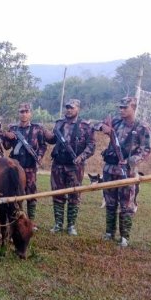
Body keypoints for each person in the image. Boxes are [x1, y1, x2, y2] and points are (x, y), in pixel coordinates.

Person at [96, 97, 151, 247]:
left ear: (133, 108)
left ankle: (124, 237)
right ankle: (109, 233)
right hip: (110, 169)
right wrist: (103, 128)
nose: (121, 110)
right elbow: (96, 125)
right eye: (120, 107)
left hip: (127, 172)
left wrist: (131, 161)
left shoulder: (141, 127)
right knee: (110, 203)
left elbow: (146, 150)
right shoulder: (116, 122)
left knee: (126, 206)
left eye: (125, 108)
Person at [44, 99, 95, 235]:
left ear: (78, 109)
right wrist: (46, 134)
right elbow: (53, 140)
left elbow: (91, 146)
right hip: (58, 164)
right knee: (57, 194)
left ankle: (71, 225)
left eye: (71, 108)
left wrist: (81, 157)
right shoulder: (59, 123)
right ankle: (58, 224)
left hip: (75, 166)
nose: (69, 110)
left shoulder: (85, 126)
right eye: (67, 107)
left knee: (74, 195)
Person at [1, 103, 47, 221]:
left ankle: (30, 220)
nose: (24, 114)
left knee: (31, 193)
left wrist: (40, 156)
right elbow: (6, 147)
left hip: (30, 166)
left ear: (30, 113)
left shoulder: (37, 129)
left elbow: (42, 145)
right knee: (13, 192)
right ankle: (14, 218)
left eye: (26, 111)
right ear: (18, 113)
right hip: (15, 167)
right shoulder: (13, 129)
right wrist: (6, 136)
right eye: (21, 112)